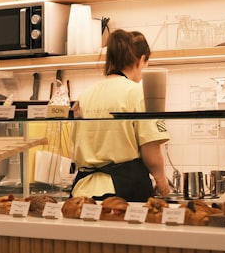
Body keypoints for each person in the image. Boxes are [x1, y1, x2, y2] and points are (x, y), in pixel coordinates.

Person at [69, 29, 171, 201]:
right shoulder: (138, 93)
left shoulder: (85, 95)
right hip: (123, 192)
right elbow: (151, 150)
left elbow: (74, 145)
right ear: (142, 60)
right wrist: (161, 179)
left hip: (83, 191)